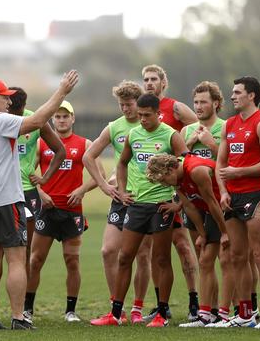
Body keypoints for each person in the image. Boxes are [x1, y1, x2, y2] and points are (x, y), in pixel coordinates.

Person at [0, 71, 78, 330]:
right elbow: (35, 121)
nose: (8, 103)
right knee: (16, 259)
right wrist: (62, 92)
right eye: (4, 98)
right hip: (6, 200)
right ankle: (18, 317)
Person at [90, 93, 189, 327]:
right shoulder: (133, 135)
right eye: (140, 115)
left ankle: (162, 315)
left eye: (147, 115)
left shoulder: (171, 136)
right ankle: (115, 314)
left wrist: (179, 203)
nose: (142, 119)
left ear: (158, 114)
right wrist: (122, 191)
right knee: (124, 257)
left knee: (161, 259)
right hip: (136, 206)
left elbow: (189, 167)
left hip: (161, 206)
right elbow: (122, 163)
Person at [0, 87, 65, 321]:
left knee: (20, 254)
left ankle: (23, 310)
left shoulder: (33, 120)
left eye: (16, 107)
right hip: (0, 192)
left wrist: (44, 179)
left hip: (25, 193)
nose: (12, 109)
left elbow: (60, 150)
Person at [83, 80, 152, 324]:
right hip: (120, 198)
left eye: (129, 104)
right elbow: (88, 156)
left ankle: (137, 308)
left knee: (143, 255)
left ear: (139, 102)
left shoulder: (152, 126)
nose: (125, 109)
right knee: (108, 250)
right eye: (121, 105)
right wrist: (103, 184)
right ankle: (117, 309)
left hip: (145, 198)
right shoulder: (114, 127)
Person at [24, 101, 100, 323]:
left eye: (66, 116)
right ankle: (28, 309)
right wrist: (40, 192)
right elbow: (28, 171)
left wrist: (82, 189)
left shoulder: (85, 144)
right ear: (52, 120)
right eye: (57, 117)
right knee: (35, 259)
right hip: (46, 210)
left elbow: (100, 174)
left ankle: (70, 311)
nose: (61, 120)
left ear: (73, 118)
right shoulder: (41, 143)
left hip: (72, 211)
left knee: (72, 261)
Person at [216, 76, 260, 329]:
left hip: (255, 195)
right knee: (236, 256)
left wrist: (238, 173)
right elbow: (221, 164)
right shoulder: (229, 124)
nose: (232, 96)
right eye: (232, 92)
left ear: (251, 95)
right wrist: (222, 191)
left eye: (237, 92)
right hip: (232, 197)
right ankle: (244, 314)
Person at [142, 64, 200, 320]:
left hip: (175, 187)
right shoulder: (143, 109)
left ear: (164, 82)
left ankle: (195, 301)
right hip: (151, 192)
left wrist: (183, 148)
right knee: (157, 251)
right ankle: (161, 304)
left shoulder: (175, 107)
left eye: (154, 79)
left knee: (183, 246)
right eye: (146, 79)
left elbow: (200, 129)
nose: (150, 83)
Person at [146, 153, 229, 327]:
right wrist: (203, 235)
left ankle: (217, 314)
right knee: (206, 262)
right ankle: (210, 314)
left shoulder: (196, 170)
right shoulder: (176, 179)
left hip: (223, 208)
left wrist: (224, 232)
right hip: (207, 211)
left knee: (217, 261)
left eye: (164, 179)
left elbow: (213, 202)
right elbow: (189, 207)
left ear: (171, 169)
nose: (165, 184)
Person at [178, 81, 228, 326]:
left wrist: (211, 143)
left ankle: (238, 309)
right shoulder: (187, 131)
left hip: (218, 201)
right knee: (203, 260)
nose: (198, 107)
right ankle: (213, 310)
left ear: (216, 103)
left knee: (226, 259)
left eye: (203, 102)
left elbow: (232, 162)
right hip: (194, 202)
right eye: (195, 102)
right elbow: (176, 165)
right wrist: (189, 145)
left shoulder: (225, 128)